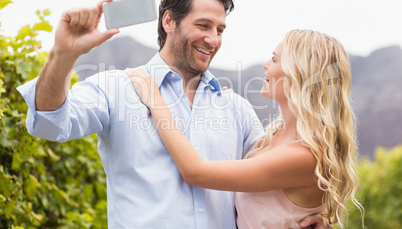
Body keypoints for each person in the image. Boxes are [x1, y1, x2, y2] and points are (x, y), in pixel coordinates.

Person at [18, 0, 330, 228]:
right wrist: (64, 55)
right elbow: (48, 123)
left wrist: (317, 219)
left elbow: (277, 181)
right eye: (203, 25)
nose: (214, 39)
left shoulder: (235, 108)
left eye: (220, 29)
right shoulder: (118, 87)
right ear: (169, 21)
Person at [128, 29, 364, 228]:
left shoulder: (303, 156)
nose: (265, 64)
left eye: (274, 59)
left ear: (299, 74)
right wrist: (221, 106)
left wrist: (155, 100)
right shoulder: (276, 137)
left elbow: (194, 172)